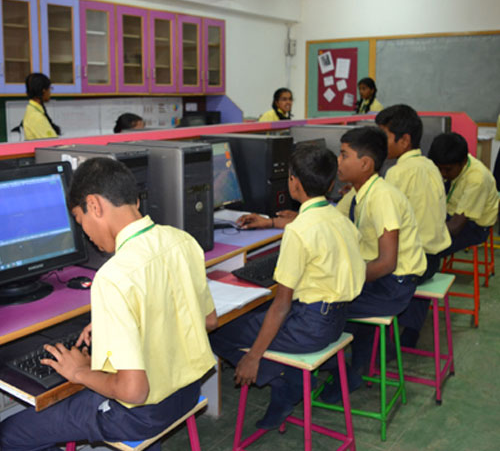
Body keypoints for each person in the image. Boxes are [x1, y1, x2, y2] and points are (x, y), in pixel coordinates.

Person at [0, 157, 217, 451]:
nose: (87, 235)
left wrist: (80, 372)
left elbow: (134, 391)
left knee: (9, 433)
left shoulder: (113, 277)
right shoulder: (183, 241)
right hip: (187, 393)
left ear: (94, 205)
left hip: (139, 415)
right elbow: (208, 321)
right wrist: (121, 323)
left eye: (80, 221)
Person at [210, 144, 366, 430]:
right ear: (331, 184)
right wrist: (273, 222)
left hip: (310, 328)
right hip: (338, 319)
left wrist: (253, 357)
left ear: (293, 183)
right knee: (254, 314)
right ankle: (307, 374)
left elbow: (281, 306)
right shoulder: (340, 219)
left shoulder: (298, 231)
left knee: (217, 330)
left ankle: (286, 383)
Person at [321, 126, 426, 402]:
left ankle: (345, 373)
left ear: (365, 163)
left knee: (319, 308)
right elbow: (329, 218)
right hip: (383, 281)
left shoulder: (382, 197)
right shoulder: (361, 192)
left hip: (393, 286)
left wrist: (345, 280)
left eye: (344, 155)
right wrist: (276, 222)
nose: (338, 161)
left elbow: (387, 263)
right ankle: (362, 362)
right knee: (329, 296)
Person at [375, 105, 451, 347]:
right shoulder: (430, 166)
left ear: (404, 140)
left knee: (362, 269)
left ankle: (373, 346)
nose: (379, 143)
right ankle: (410, 331)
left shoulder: (397, 173)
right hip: (434, 260)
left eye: (383, 136)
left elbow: (383, 221)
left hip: (413, 267)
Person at [428, 132, 498, 256]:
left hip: (474, 226)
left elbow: (455, 228)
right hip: (452, 213)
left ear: (463, 162)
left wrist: (426, 229)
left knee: (430, 248)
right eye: (439, 168)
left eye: (447, 169)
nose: (442, 174)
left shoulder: (477, 179)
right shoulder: (454, 162)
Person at [18, 73, 61, 140]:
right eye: (49, 88)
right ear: (43, 90)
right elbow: (53, 143)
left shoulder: (33, 110)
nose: (50, 92)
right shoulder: (36, 117)